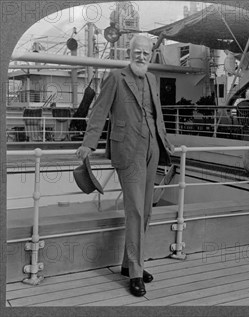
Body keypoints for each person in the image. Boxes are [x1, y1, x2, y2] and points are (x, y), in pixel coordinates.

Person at [76, 35, 174, 297]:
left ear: (150, 55)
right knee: (135, 211)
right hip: (128, 150)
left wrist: (164, 141)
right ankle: (136, 272)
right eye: (137, 52)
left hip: (152, 148)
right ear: (129, 53)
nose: (141, 57)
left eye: (145, 53)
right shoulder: (116, 78)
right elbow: (99, 111)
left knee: (146, 210)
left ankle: (128, 264)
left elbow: (156, 114)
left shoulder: (152, 79)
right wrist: (89, 143)